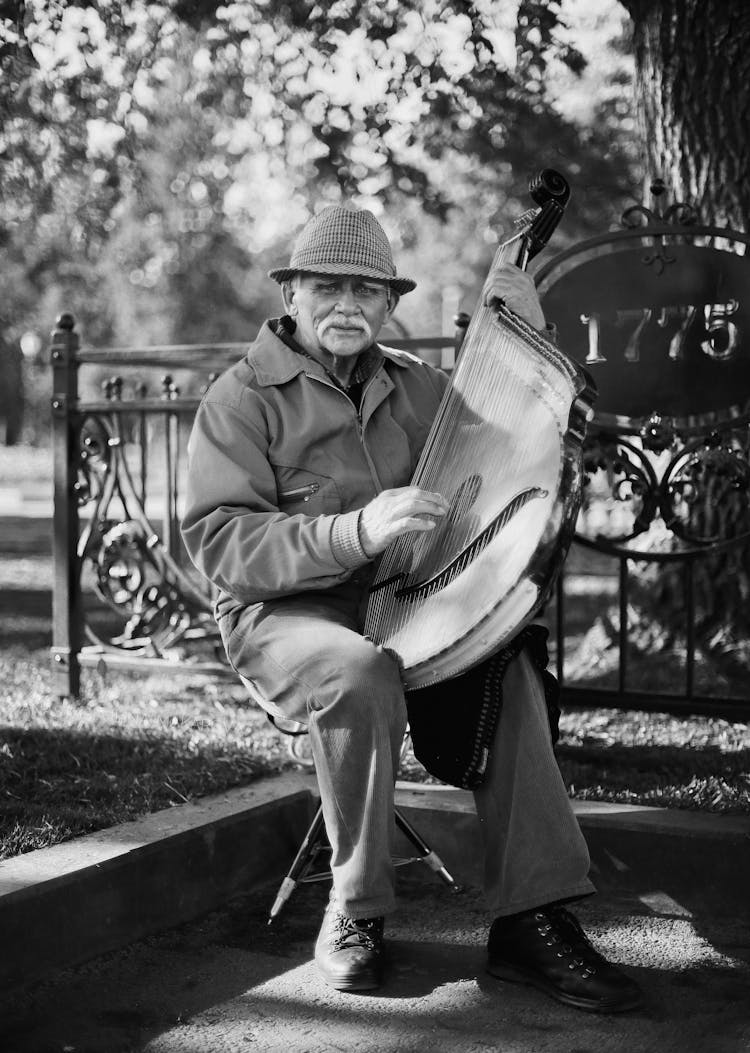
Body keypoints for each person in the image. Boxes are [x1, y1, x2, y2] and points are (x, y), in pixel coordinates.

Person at [181, 204, 642, 1013]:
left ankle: (532, 918)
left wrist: (520, 334)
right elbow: (221, 542)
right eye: (327, 286)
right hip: (287, 614)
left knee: (511, 656)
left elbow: (507, 444)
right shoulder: (241, 398)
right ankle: (355, 907)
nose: (348, 304)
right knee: (358, 672)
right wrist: (353, 530)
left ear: (390, 304)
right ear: (291, 293)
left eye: (368, 289)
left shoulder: (422, 387)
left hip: (412, 603)